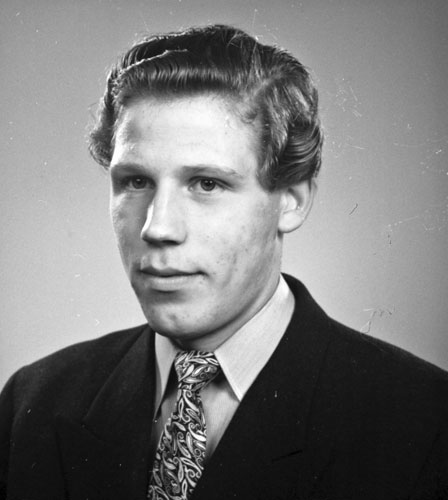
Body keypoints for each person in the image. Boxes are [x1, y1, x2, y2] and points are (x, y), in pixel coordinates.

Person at [0, 24, 447, 500]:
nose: (157, 227)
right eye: (135, 182)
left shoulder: (426, 422)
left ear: (292, 200)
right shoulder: (32, 402)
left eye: (207, 184)